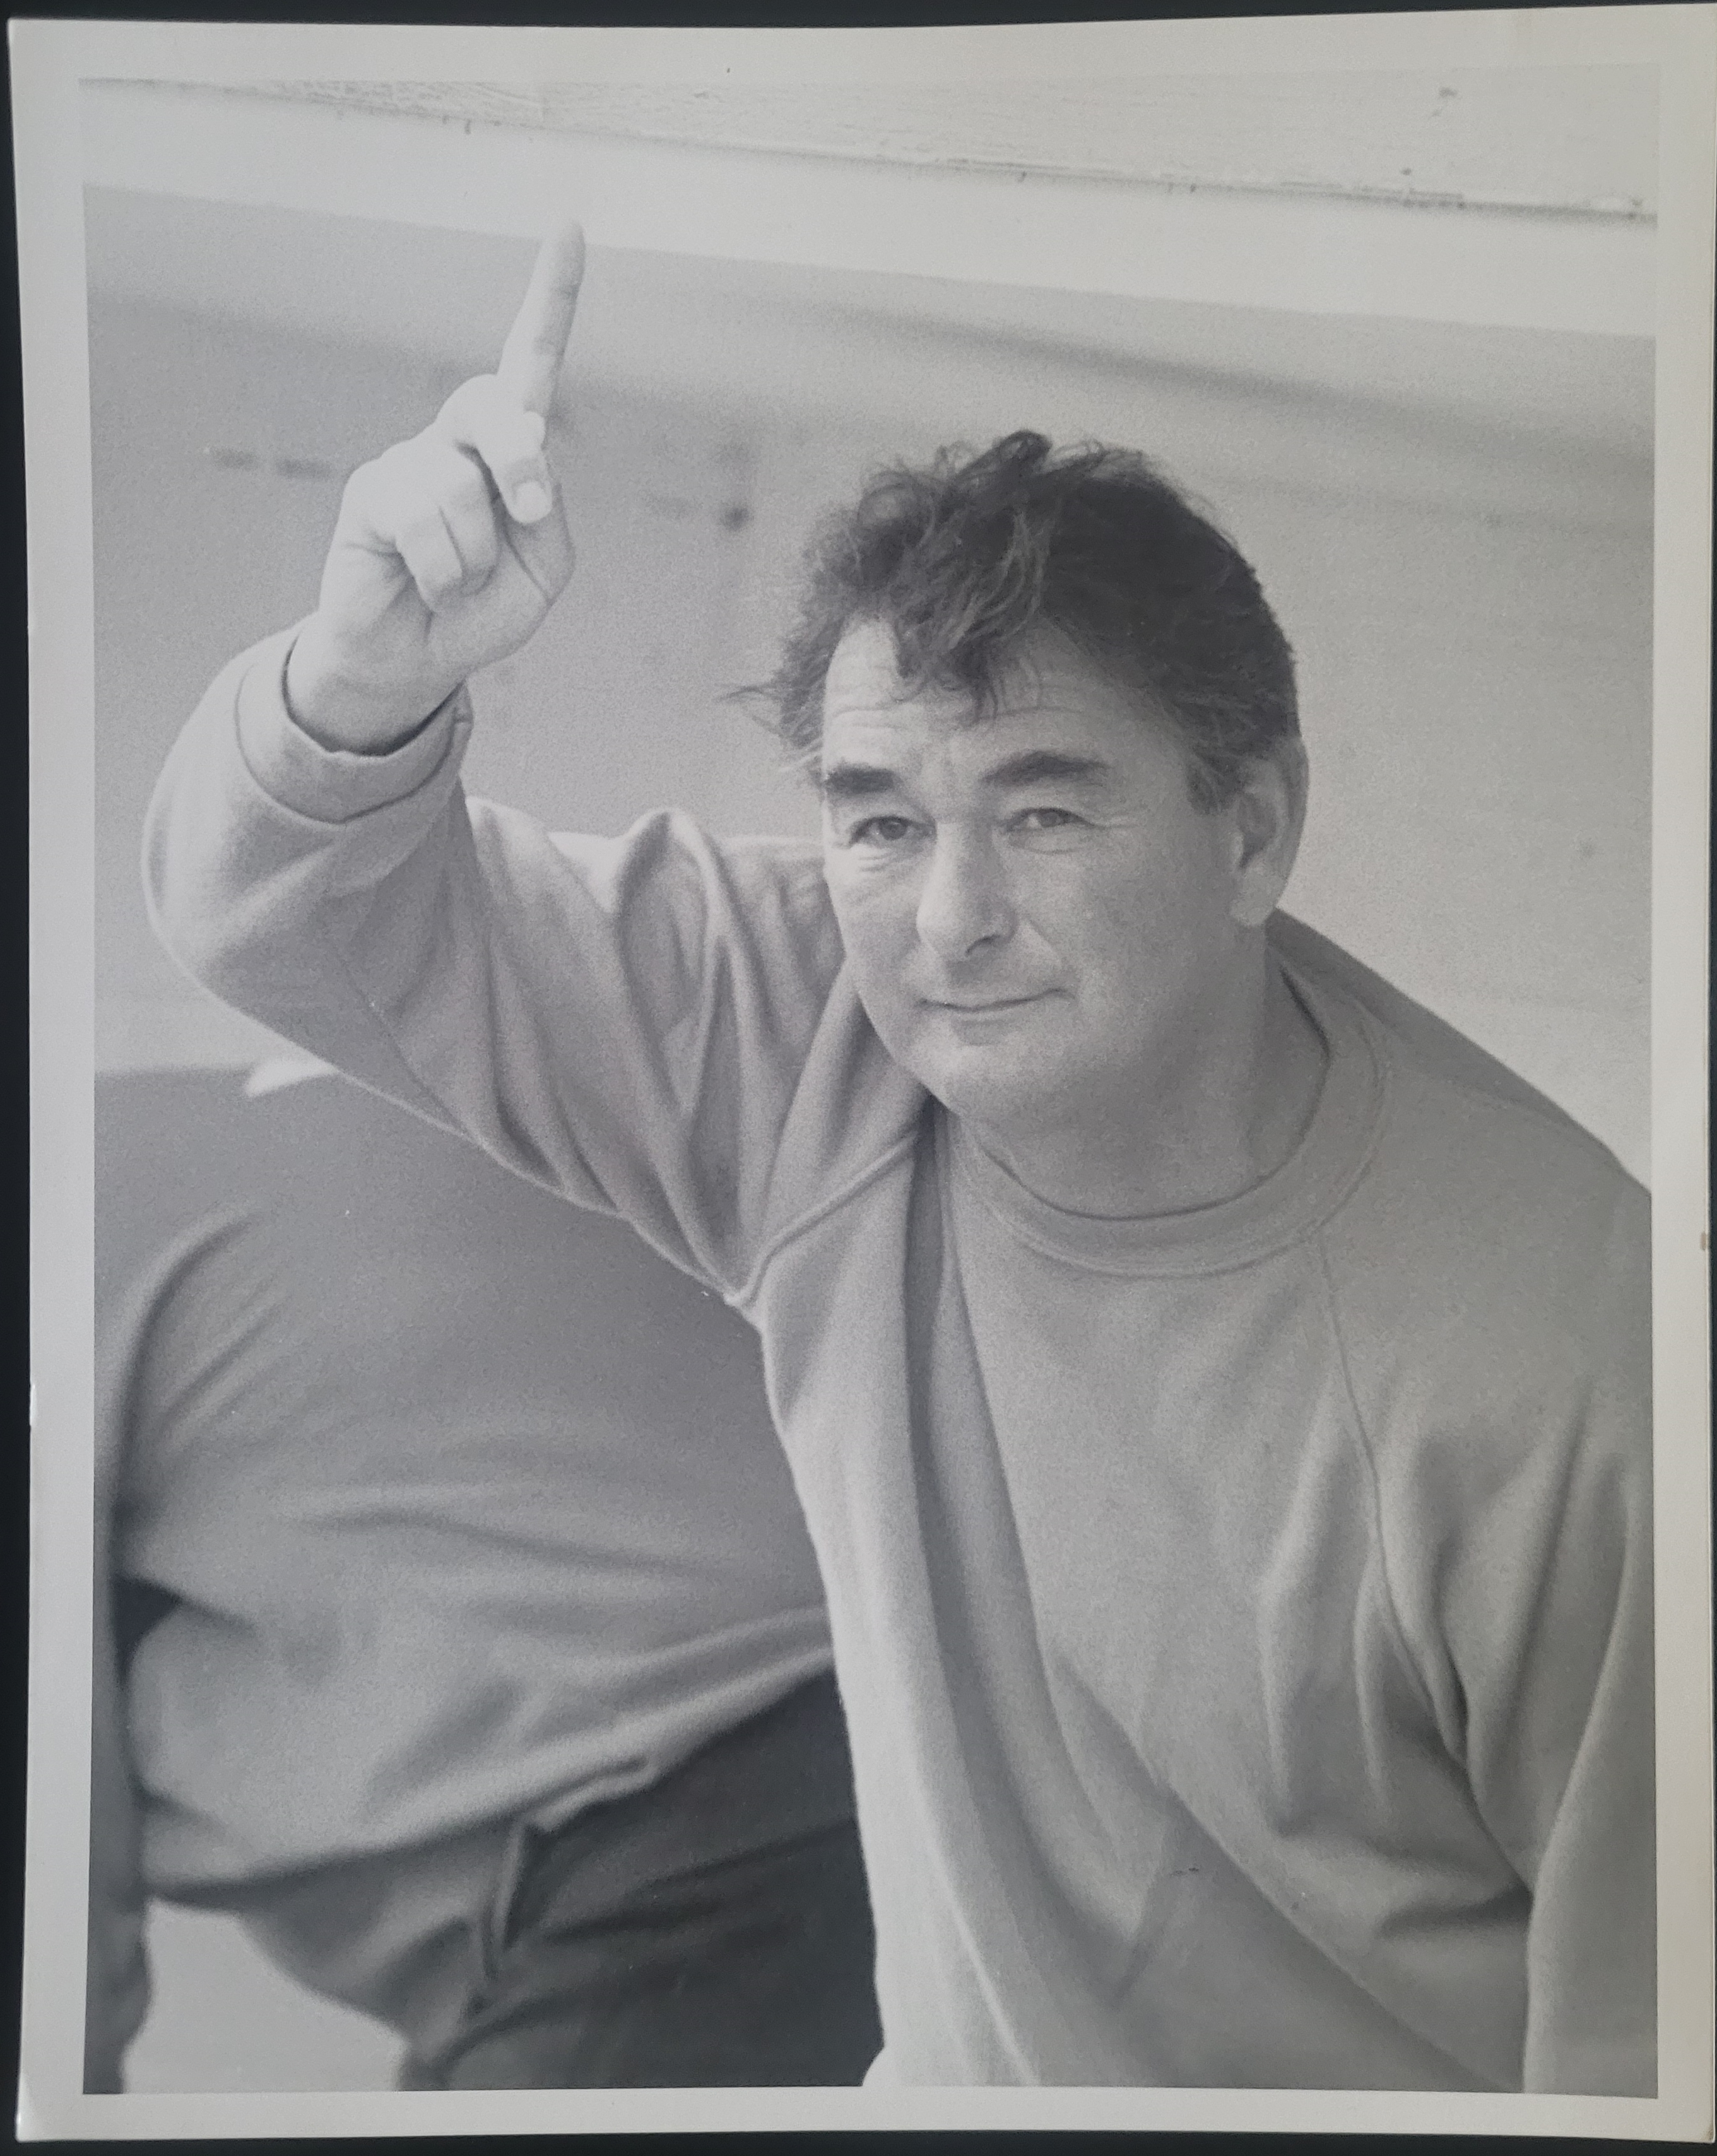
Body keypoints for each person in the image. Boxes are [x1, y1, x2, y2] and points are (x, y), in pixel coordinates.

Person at [144, 222, 1653, 2093]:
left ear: (1250, 833)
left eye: (1041, 809)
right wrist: (361, 672)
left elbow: (1648, 2071)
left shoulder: (1579, 1357)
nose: (950, 917)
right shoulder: (813, 1038)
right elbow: (283, 916)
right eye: (877, 821)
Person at [88, 1056, 881, 2092]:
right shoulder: (158, 1142)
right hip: (880, 1738)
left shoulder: (63, 1239)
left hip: (691, 1821)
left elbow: (51, 1986)